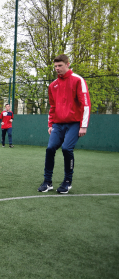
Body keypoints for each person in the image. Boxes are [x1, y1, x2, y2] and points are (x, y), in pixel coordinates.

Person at [38, 54, 90, 194]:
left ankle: (67, 181)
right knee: (50, 149)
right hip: (58, 124)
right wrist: (50, 124)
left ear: (67, 64)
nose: (57, 68)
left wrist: (83, 125)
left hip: (74, 124)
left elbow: (85, 104)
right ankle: (47, 181)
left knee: (67, 149)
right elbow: (52, 107)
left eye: (60, 65)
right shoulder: (53, 85)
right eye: (55, 66)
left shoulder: (78, 80)